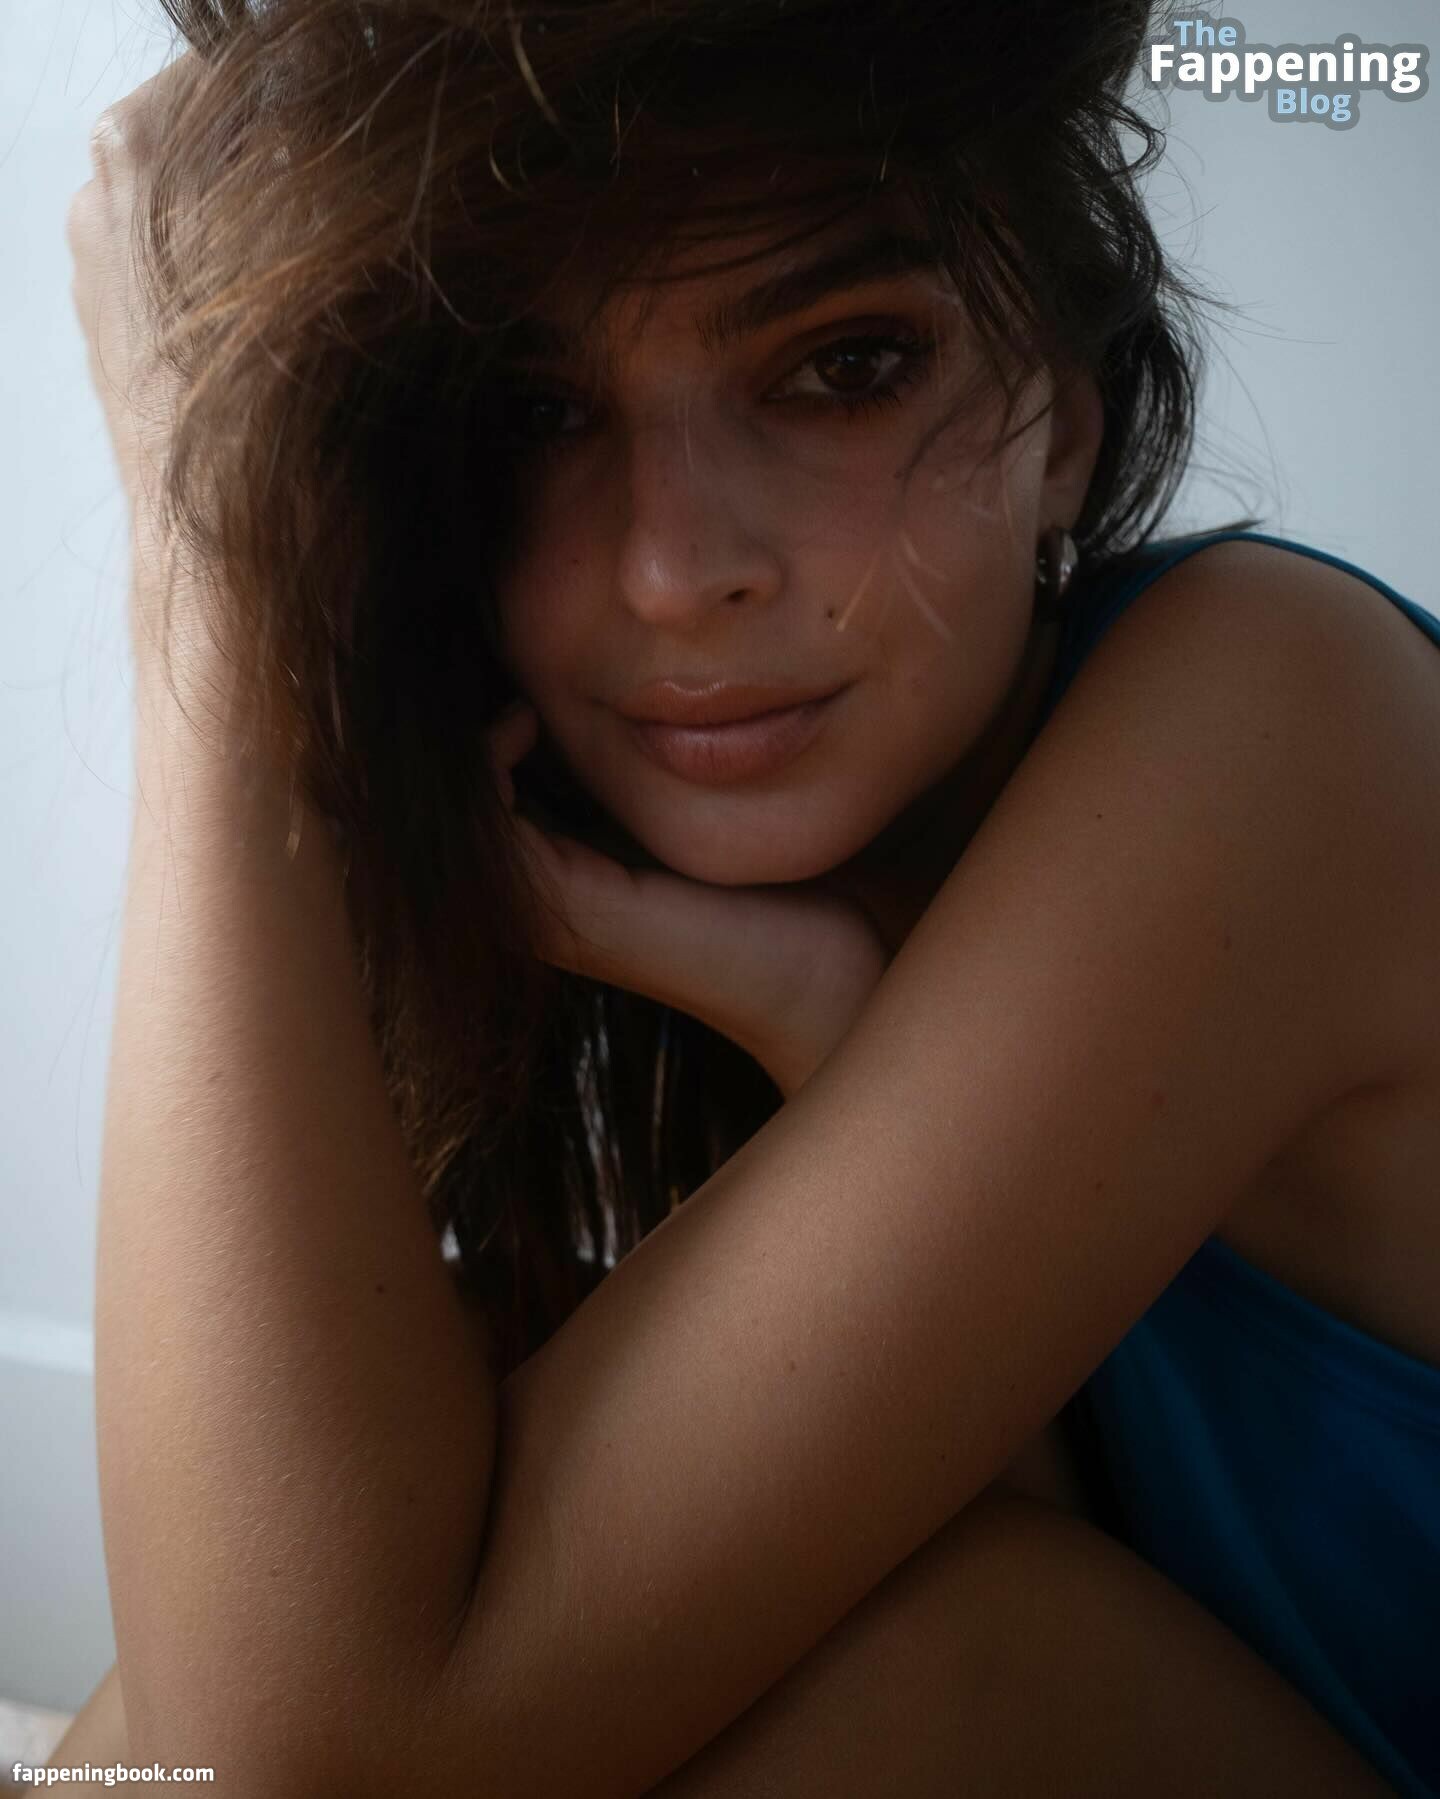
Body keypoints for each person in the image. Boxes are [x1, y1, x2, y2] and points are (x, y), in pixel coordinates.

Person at [56, 1, 1436, 1793]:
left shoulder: (1279, 712)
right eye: (537, 412)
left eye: (845, 367)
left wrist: (201, 545)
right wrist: (827, 1029)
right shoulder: (836, 896)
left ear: (1069, 424)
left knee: (915, 1660)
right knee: (383, 1519)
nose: (671, 566)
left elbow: (301, 1761)